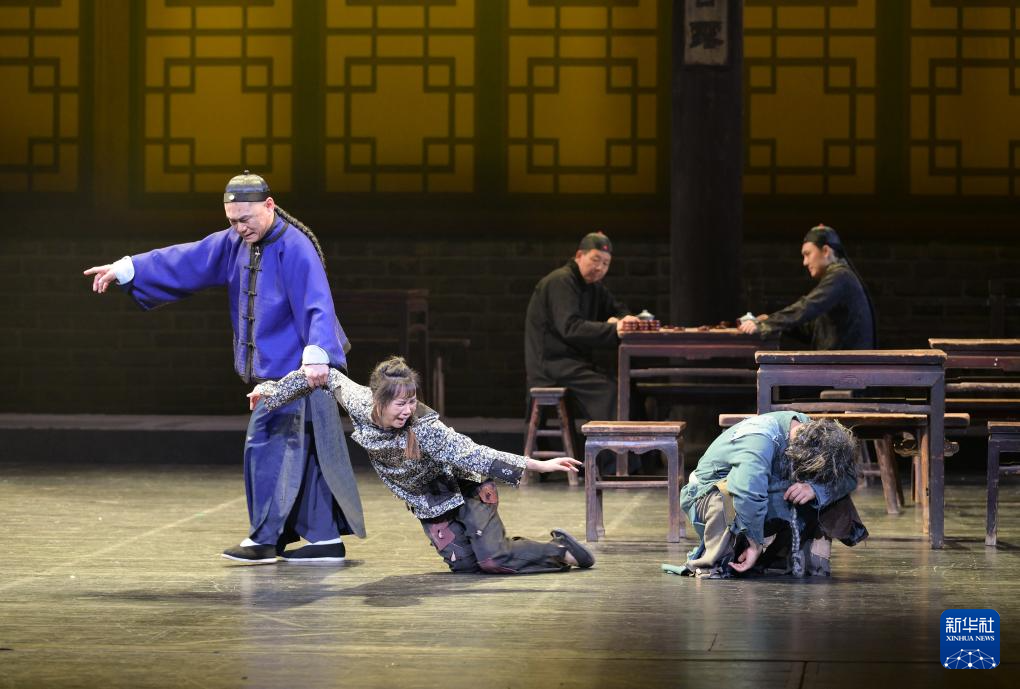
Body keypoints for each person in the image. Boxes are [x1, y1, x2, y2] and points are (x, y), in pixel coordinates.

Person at [82, 171, 364, 565]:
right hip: (280, 374)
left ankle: (265, 539)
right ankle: (325, 540)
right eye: (232, 220)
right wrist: (129, 269)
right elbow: (187, 259)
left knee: (265, 447)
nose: (239, 227)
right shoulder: (235, 242)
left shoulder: (295, 247)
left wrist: (319, 355)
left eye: (245, 218)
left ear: (269, 206)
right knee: (308, 452)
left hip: (295, 375)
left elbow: (317, 302)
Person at [248, 357, 596, 574]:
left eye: (411, 402)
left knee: (494, 560)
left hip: (467, 487)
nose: (407, 410)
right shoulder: (358, 401)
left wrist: (539, 465)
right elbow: (322, 376)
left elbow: (474, 454)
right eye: (399, 404)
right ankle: (498, 547)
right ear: (378, 401)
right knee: (466, 567)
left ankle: (561, 551)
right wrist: (271, 392)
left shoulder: (426, 429)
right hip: (431, 502)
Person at [670, 412, 868, 578]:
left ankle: (792, 557)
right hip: (707, 496)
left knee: (828, 485)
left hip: (762, 489)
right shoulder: (759, 440)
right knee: (727, 496)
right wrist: (755, 544)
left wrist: (814, 489)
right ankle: (721, 558)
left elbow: (849, 476)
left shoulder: (813, 432)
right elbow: (747, 493)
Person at [524, 231, 639, 424]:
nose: (600, 267)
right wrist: (614, 329)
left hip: (572, 363)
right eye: (595, 259)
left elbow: (619, 310)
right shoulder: (561, 281)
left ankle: (642, 444)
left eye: (606, 263)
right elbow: (570, 327)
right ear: (579, 255)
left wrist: (624, 319)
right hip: (552, 363)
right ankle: (617, 444)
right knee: (612, 392)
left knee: (627, 387)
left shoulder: (594, 287)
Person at [738, 224, 876, 350]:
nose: (805, 262)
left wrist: (768, 324)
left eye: (807, 254)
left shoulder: (840, 276)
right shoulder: (840, 277)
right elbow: (811, 330)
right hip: (841, 364)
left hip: (846, 366)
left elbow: (809, 306)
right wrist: (770, 320)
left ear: (826, 251)